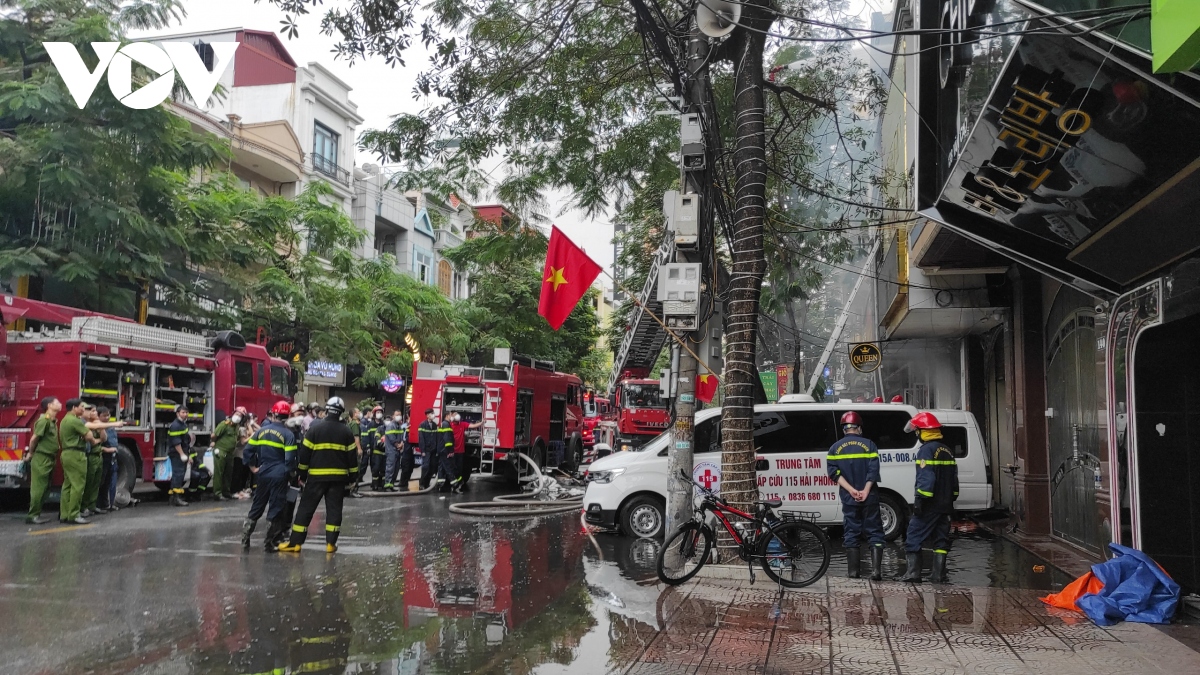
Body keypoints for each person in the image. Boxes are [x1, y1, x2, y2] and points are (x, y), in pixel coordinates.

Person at [278, 397, 358, 553]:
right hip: (338, 479)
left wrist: (301, 473)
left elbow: (305, 453)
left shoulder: (315, 429)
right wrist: (353, 477)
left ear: (326, 410)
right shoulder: (347, 431)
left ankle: (295, 543)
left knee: (306, 509)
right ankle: (330, 544)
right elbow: (352, 458)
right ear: (341, 412)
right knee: (334, 510)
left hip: (315, 478)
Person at [900, 412, 960, 583]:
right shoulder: (946, 450)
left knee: (913, 536)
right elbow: (954, 480)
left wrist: (920, 500)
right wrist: (952, 498)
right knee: (941, 539)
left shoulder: (925, 451)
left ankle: (913, 574)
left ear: (922, 432)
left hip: (930, 504)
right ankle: (938, 575)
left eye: (916, 431)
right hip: (946, 504)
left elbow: (927, 478)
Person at [826, 411, 884, 580]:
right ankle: (876, 572)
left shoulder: (834, 448)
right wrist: (865, 490)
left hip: (848, 497)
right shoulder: (870, 445)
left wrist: (851, 490)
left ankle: (853, 573)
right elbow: (873, 472)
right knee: (875, 531)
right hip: (870, 495)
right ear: (859, 428)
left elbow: (834, 474)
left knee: (851, 531)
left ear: (844, 429)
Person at [242, 400, 298, 551]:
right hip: (279, 475)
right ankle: (269, 542)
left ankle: (245, 538)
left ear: (273, 414)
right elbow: (289, 459)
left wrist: (253, 468)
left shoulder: (261, 431)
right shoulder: (288, 434)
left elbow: (247, 451)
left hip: (263, 473)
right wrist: (292, 475)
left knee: (257, 505)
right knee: (276, 507)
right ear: (288, 416)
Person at [23, 397, 62, 525]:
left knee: (45, 488)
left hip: (50, 457)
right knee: (38, 488)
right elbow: (34, 439)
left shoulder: (52, 421)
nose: (60, 404)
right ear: (50, 406)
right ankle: (32, 515)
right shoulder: (44, 421)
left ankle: (36, 513)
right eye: (57, 403)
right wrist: (30, 453)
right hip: (42, 457)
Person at [80, 404, 121, 518]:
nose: (93, 413)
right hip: (92, 455)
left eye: (93, 411)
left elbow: (103, 438)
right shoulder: (84, 424)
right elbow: (93, 441)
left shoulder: (97, 426)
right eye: (91, 411)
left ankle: (93, 506)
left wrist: (101, 426)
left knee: (97, 483)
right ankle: (83, 507)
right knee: (88, 483)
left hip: (99, 456)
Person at [58, 398, 93, 524]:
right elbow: (89, 436)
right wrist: (92, 440)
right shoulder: (75, 421)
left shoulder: (64, 420)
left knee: (68, 485)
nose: (83, 410)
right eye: (81, 407)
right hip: (76, 454)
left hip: (66, 453)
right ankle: (74, 514)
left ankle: (64, 514)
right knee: (78, 485)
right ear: (74, 408)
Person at [211, 407, 245, 501]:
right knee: (219, 473)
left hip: (230, 453)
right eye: (237, 414)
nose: (238, 417)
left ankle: (226, 492)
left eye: (241, 415)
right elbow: (214, 435)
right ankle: (217, 493)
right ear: (233, 413)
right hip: (221, 451)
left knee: (228, 473)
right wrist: (213, 442)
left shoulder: (237, 427)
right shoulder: (224, 424)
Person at [443, 412, 481, 494]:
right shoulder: (448, 425)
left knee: (459, 469)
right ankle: (454, 484)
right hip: (452, 451)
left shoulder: (462, 424)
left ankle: (458, 484)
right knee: (452, 468)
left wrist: (482, 422)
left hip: (460, 451)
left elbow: (473, 426)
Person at [167, 405, 195, 507]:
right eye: (183, 412)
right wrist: (182, 454)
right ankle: (176, 498)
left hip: (181, 453)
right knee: (178, 475)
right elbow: (176, 442)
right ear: (178, 413)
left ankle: (172, 498)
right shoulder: (176, 425)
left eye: (186, 412)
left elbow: (185, 441)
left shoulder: (182, 424)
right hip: (177, 454)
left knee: (178, 474)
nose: (185, 414)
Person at [95, 406, 121, 513]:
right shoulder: (97, 428)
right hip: (103, 458)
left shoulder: (110, 428)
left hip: (112, 459)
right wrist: (107, 450)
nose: (107, 418)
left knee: (111, 483)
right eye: (104, 415)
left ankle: (109, 504)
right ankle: (98, 504)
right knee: (101, 483)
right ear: (98, 416)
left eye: (108, 415)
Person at [417, 408, 443, 491]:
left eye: (433, 413)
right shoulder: (422, 425)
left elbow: (437, 438)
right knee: (425, 467)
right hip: (426, 450)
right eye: (431, 413)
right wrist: (423, 451)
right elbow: (421, 439)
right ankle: (422, 484)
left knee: (432, 467)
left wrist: (437, 450)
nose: (433, 415)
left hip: (433, 450)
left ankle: (427, 483)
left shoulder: (435, 425)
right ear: (427, 415)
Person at [382, 410, 406, 491]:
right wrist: (397, 445)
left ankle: (391, 484)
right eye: (397, 415)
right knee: (390, 468)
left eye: (400, 414)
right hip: (391, 451)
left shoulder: (399, 426)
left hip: (397, 450)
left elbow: (402, 436)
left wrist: (402, 443)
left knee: (396, 468)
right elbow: (391, 438)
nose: (399, 416)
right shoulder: (391, 425)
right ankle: (387, 485)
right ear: (393, 416)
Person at [346, 407, 366, 498]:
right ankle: (353, 490)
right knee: (356, 469)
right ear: (354, 414)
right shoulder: (354, 424)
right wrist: (359, 449)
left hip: (350, 451)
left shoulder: (351, 423)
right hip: (354, 450)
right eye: (358, 412)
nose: (360, 413)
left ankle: (349, 489)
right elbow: (356, 437)